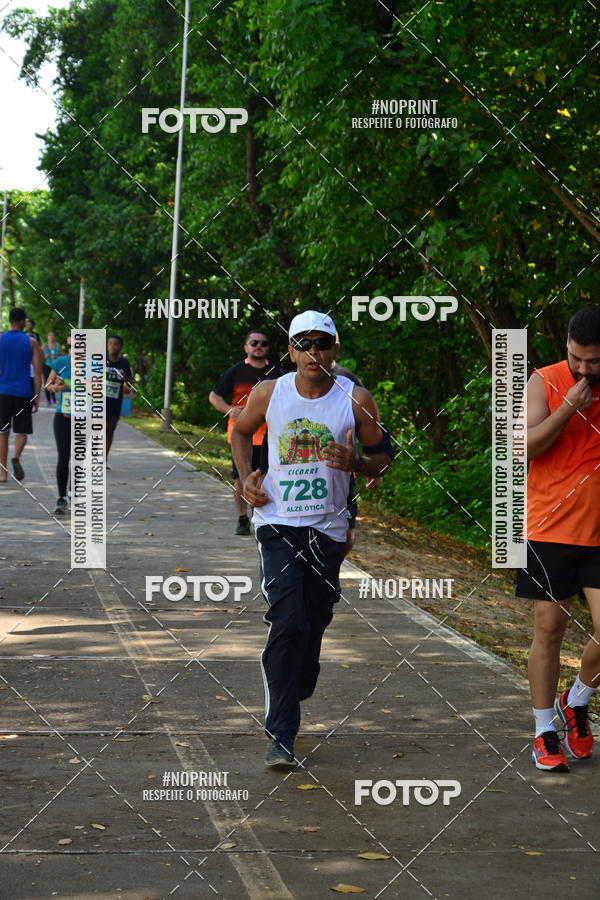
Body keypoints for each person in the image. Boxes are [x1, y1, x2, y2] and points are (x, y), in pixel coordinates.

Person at [231, 310, 393, 768]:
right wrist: (246, 480)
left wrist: (358, 464)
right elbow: (240, 433)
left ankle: (297, 680)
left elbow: (383, 456)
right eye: (303, 343)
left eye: (321, 343)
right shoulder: (270, 392)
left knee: (315, 617)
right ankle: (281, 732)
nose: (312, 352)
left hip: (329, 528)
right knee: (288, 619)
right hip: (277, 521)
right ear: (291, 351)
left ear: (335, 349)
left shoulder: (355, 399)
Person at [517, 305, 600, 772]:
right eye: (576, 359)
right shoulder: (544, 381)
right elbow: (524, 447)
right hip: (551, 527)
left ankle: (577, 699)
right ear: (566, 347)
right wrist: (569, 405)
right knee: (549, 629)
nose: (584, 370)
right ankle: (544, 729)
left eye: (594, 362)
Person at [209, 330, 284, 535]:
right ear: (246, 347)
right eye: (254, 342)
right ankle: (242, 518)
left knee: (265, 477)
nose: (258, 346)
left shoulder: (277, 373)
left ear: (268, 348)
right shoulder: (236, 371)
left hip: (269, 435)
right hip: (241, 435)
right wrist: (229, 410)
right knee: (241, 478)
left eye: (263, 343)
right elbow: (214, 396)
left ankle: (262, 517)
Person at [0, 307, 43, 483]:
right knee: (22, 431)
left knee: (3, 433)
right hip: (24, 392)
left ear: (10, 320)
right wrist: (37, 397)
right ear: (22, 322)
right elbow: (38, 373)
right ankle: (16, 456)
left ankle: (3, 474)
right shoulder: (31, 342)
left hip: (3, 392)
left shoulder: (0, 339)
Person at [44, 337, 73, 514]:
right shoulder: (61, 362)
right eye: (69, 345)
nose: (73, 349)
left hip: (85, 418)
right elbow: (47, 384)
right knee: (64, 456)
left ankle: (74, 494)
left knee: (81, 458)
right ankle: (62, 498)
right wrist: (56, 387)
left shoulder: (93, 365)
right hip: (63, 415)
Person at [105, 335, 133, 466]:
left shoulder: (124, 363)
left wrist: (125, 379)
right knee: (102, 428)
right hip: (99, 401)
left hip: (115, 402)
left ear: (120, 347)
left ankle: (104, 458)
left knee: (110, 430)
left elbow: (131, 385)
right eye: (110, 343)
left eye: (115, 344)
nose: (112, 346)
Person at [42, 331, 61, 406]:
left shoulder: (57, 345)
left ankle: (53, 396)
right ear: (47, 337)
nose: (51, 337)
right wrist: (45, 356)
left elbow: (63, 356)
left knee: (54, 381)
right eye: (50, 335)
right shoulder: (44, 346)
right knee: (46, 382)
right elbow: (39, 357)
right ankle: (48, 400)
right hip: (46, 366)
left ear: (54, 337)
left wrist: (56, 357)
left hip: (55, 366)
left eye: (52, 335)